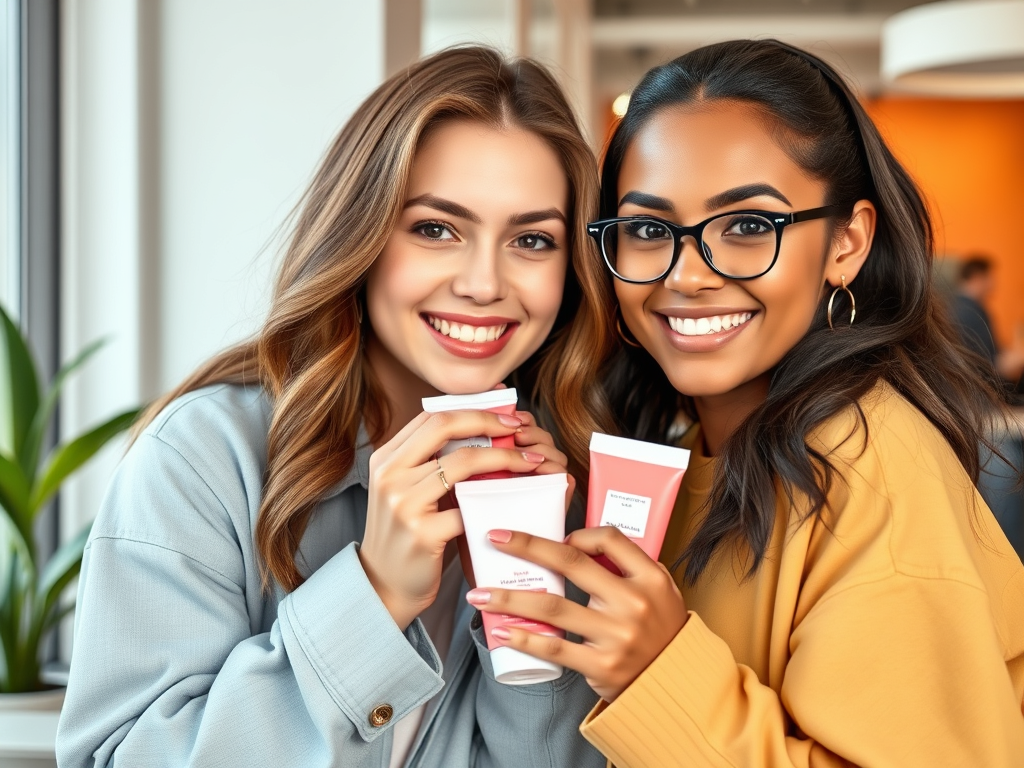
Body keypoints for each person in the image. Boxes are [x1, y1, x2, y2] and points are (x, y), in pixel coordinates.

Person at [464, 40, 1024, 767]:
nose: (688, 275)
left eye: (749, 227)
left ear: (846, 243)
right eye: (646, 230)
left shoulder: (870, 467)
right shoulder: (676, 448)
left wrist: (661, 668)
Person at [56, 46, 612, 768]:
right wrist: (375, 596)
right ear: (364, 235)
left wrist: (525, 627)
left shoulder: (558, 488)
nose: (484, 282)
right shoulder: (202, 459)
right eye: (436, 228)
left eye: (532, 240)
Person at [951, 254, 1024, 386]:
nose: (994, 283)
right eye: (991, 277)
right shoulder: (970, 314)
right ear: (977, 277)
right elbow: (992, 367)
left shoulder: (957, 305)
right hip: (985, 393)